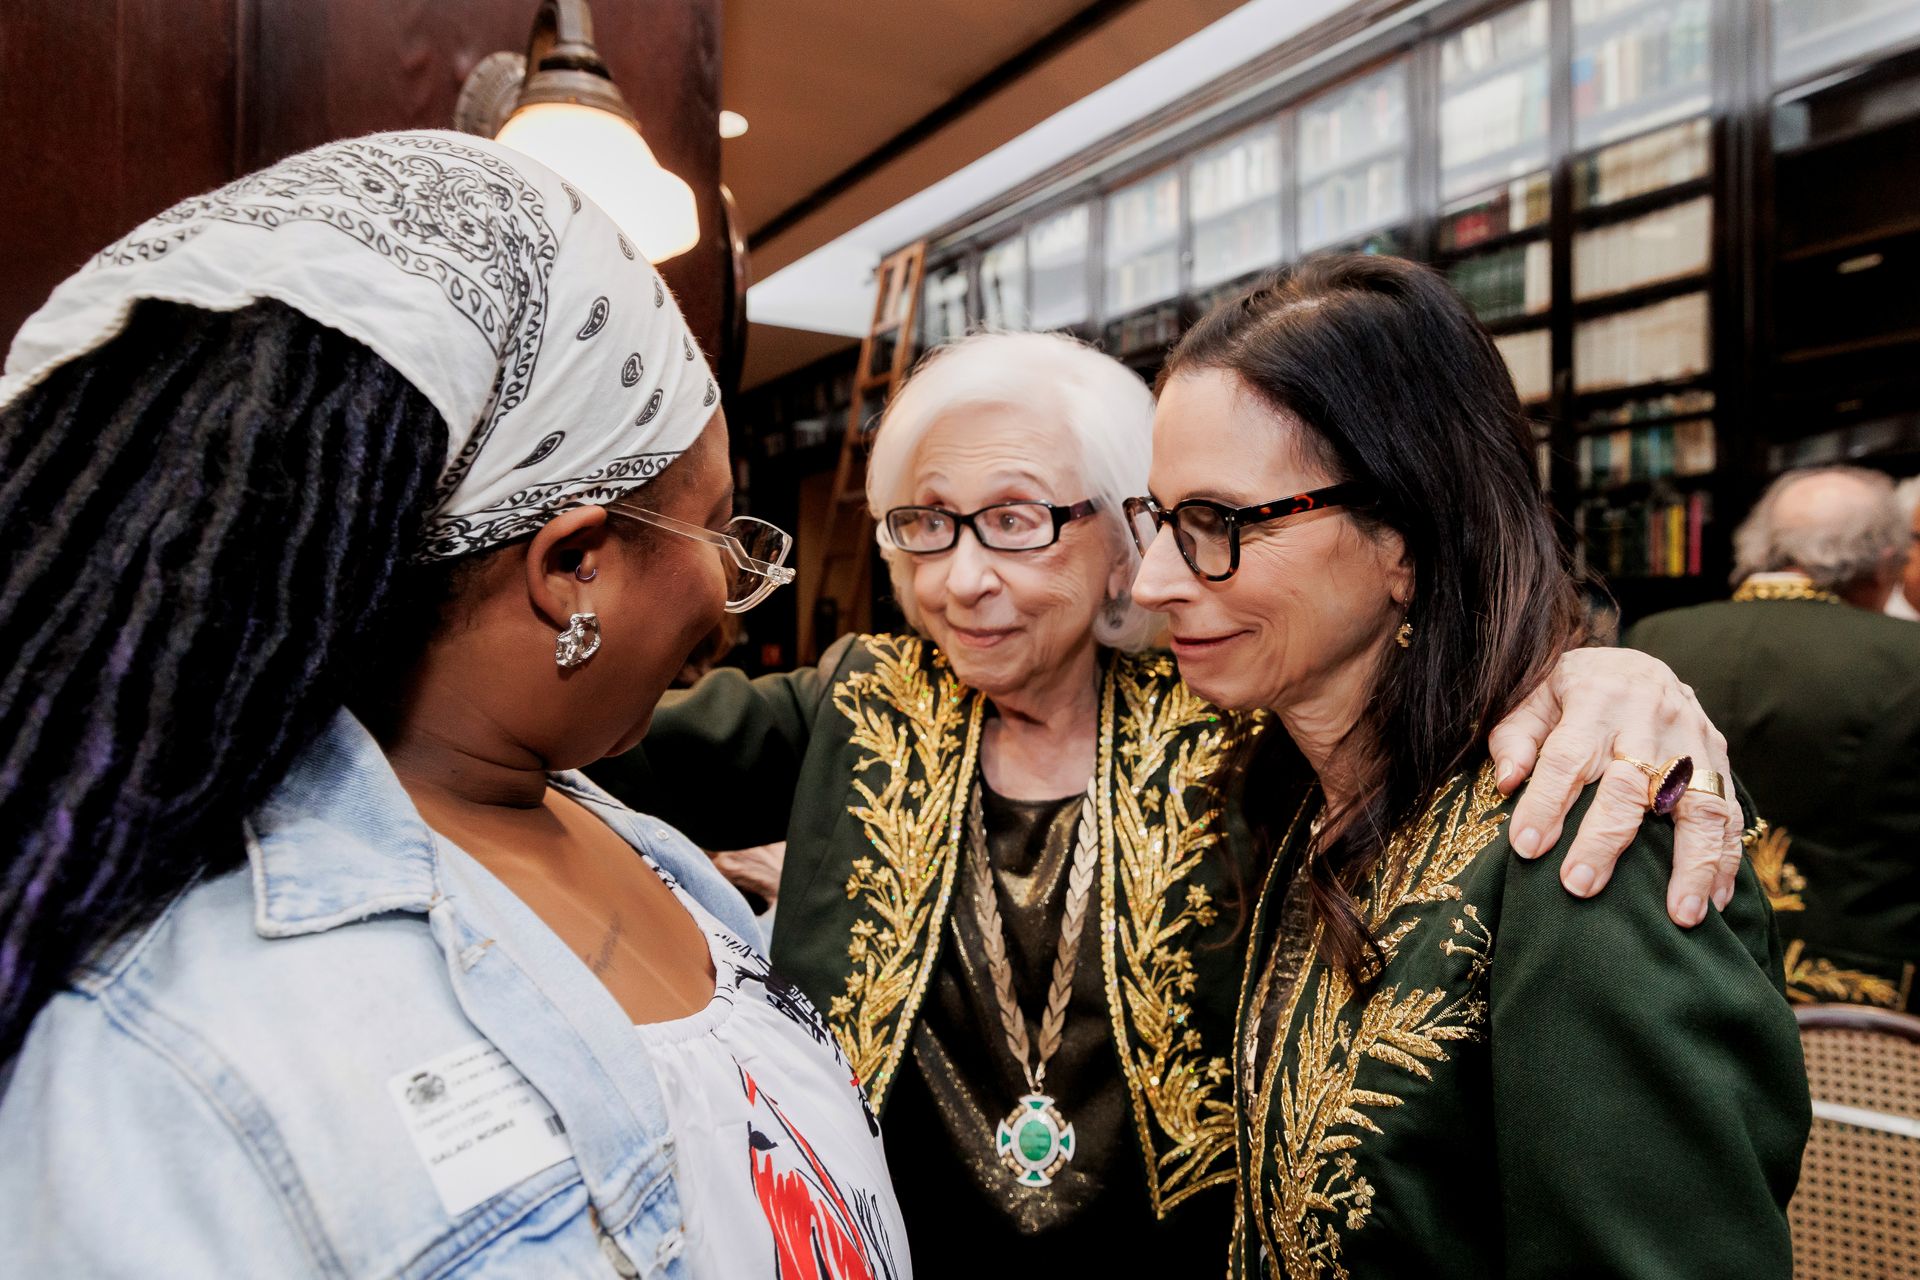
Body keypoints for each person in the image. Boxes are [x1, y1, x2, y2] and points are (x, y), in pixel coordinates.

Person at [593, 328, 1752, 1269]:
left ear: (1117, 537)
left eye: (1016, 520)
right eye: (924, 525)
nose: (965, 574)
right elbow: (552, 742)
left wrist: (1602, 664)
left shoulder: (1238, 712)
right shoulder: (859, 700)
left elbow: (1429, 657)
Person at [0, 132, 908, 1279]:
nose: (733, 589)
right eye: (721, 527)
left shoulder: (620, 830)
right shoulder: (159, 1075)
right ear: (573, 563)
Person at [1126, 256, 1808, 1278]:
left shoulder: (1583, 829)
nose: (1154, 580)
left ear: (1404, 538)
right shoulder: (1295, 793)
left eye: (1217, 523)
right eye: (1160, 517)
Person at [1629, 466, 1920, 1010]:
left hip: (1670, 964)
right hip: (1862, 1004)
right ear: (1882, 562)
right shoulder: (1910, 658)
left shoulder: (1654, 637)